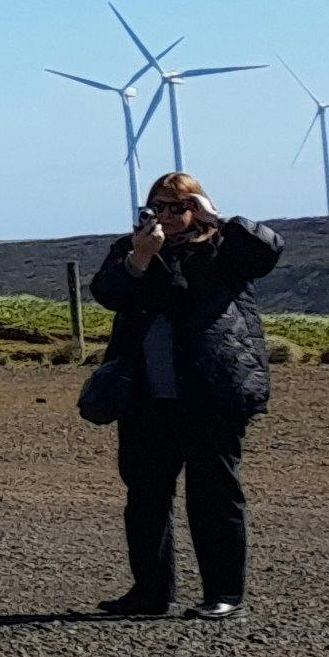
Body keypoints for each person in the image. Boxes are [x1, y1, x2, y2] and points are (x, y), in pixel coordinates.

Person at [90, 172, 282, 622]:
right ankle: (151, 592)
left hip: (212, 391)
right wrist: (141, 257)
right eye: (159, 206)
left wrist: (220, 218)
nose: (169, 215)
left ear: (198, 207)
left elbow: (268, 251)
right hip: (146, 393)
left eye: (180, 206)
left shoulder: (225, 248)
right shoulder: (132, 250)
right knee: (146, 495)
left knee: (213, 494)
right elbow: (106, 293)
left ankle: (224, 594)